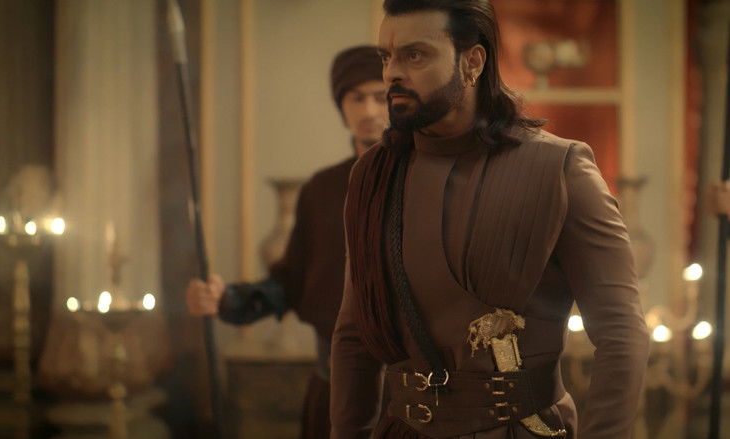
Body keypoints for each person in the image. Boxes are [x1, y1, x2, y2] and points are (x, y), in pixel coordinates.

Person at [330, 1, 650, 438]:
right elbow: (354, 336)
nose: (392, 74)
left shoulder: (559, 169)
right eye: (387, 57)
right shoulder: (373, 174)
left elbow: (621, 334)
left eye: (415, 55)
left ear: (472, 62)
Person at [185, 45, 387, 439]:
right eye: (356, 98)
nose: (368, 111)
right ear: (341, 106)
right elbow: (290, 282)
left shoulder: (429, 181)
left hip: (413, 397)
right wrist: (227, 299)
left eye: (380, 97)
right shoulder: (321, 190)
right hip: (334, 388)